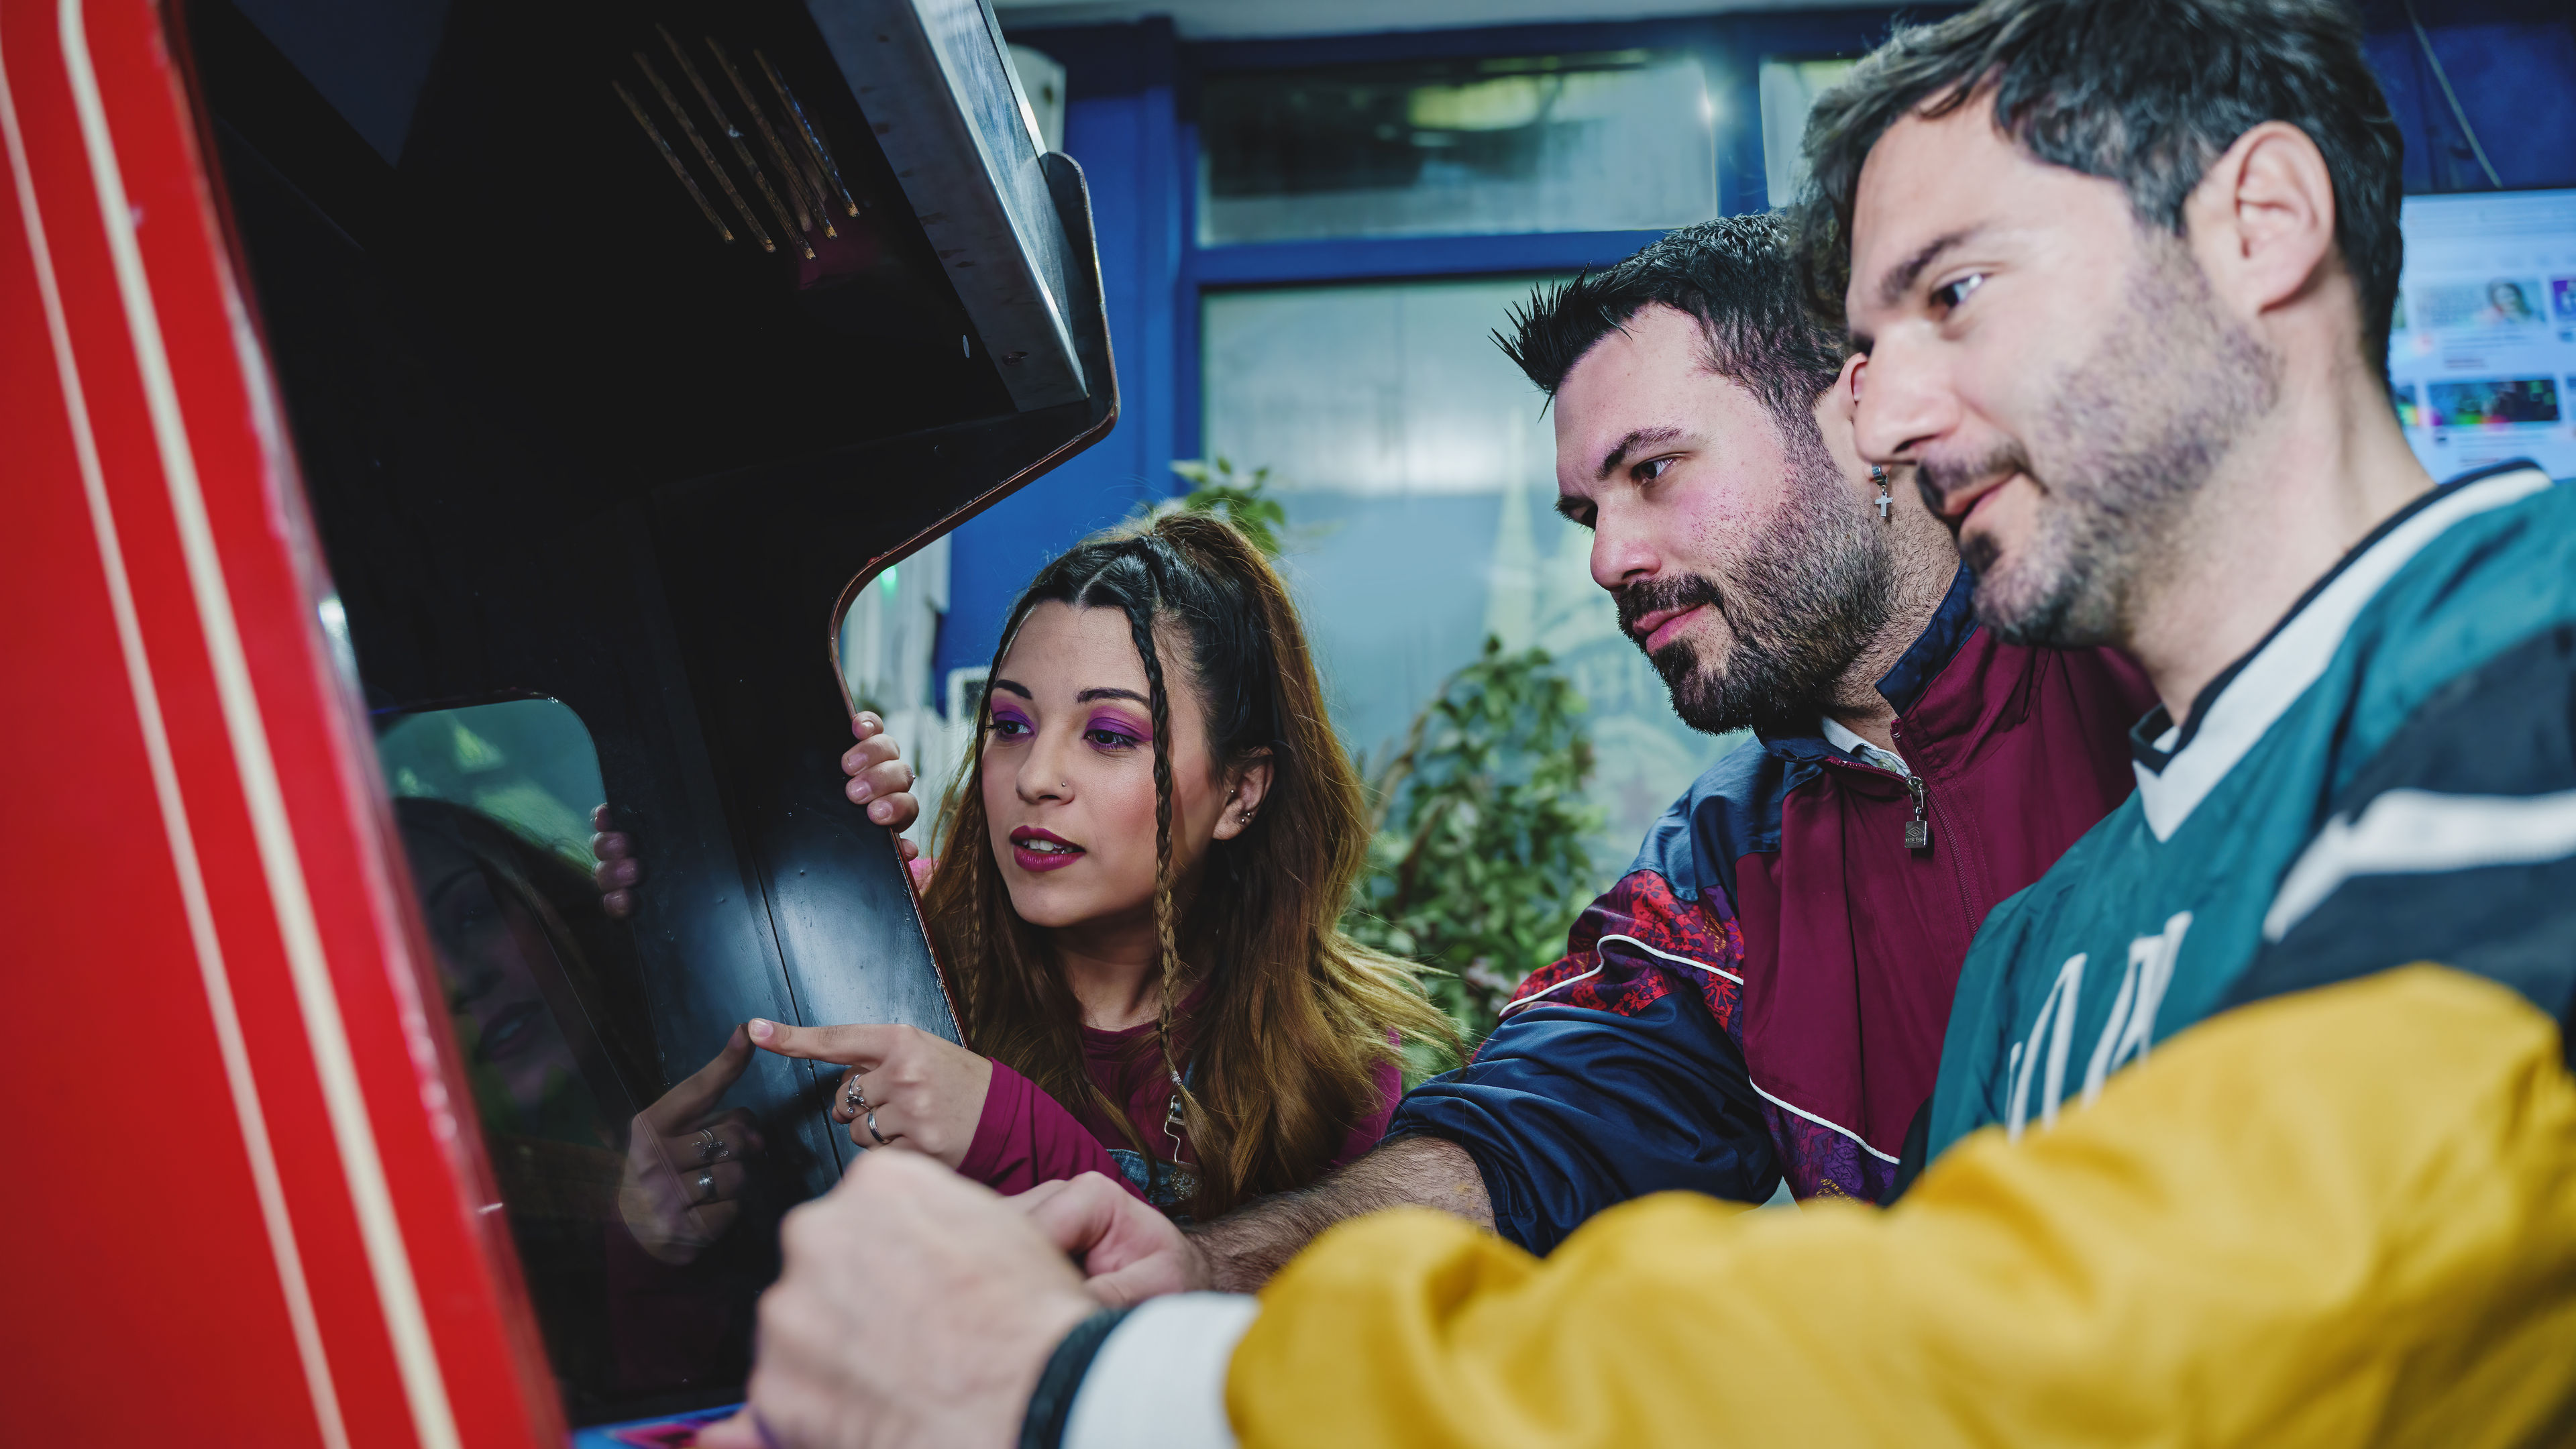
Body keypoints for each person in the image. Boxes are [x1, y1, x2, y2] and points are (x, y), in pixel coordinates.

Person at [701, 2, 2576, 1446]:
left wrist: (1121, 1399)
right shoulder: (1945, 918)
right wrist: (1200, 1277)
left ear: (2258, 221)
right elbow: (1550, 1135)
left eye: (1953, 295)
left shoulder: (2524, 674)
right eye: (1587, 512)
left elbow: (2146, 1324)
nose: (1893, 407)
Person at [744, 511, 1454, 1220]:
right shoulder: (905, 946)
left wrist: (1009, 1131)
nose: (1037, 777)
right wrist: (821, 905)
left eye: (1110, 736)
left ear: (1241, 792)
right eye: (1010, 725)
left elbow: (1284, 1327)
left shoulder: (1324, 1055)